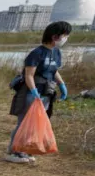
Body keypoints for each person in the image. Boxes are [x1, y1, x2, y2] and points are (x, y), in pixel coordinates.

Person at [6, 21, 71, 164]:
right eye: (65, 35)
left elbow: (54, 70)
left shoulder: (56, 52)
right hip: (31, 93)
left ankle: (25, 150)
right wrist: (34, 91)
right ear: (55, 36)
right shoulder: (37, 53)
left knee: (34, 124)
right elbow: (29, 75)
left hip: (46, 93)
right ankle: (14, 151)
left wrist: (62, 84)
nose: (66, 38)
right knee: (24, 122)